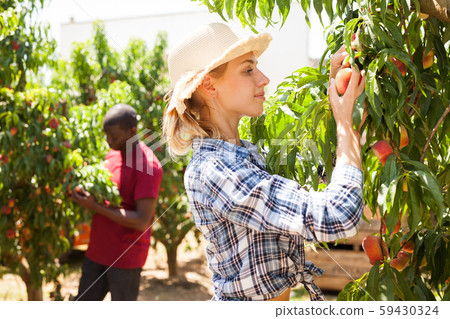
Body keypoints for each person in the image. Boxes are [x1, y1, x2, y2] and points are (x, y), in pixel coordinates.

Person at [162, 23, 365, 301]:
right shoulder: (217, 170)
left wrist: (335, 102)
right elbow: (336, 215)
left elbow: (317, 177)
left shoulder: (245, 154)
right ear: (209, 84)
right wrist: (346, 126)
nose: (264, 78)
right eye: (248, 70)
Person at [71, 103, 163, 301]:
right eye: (106, 135)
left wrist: (95, 207)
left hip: (125, 258)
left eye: (114, 136)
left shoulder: (148, 166)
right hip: (97, 251)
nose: (108, 141)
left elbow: (141, 220)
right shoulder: (113, 153)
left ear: (133, 131)